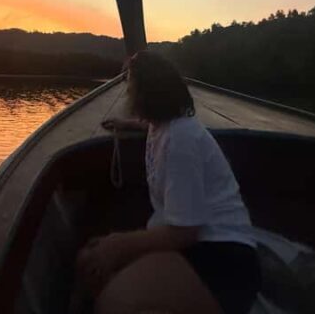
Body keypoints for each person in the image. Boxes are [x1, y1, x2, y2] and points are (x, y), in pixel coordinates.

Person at [77, 50, 260, 314]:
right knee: (88, 260)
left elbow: (185, 232)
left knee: (111, 304)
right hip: (196, 248)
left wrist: (118, 243)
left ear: (146, 92)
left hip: (223, 261)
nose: (127, 91)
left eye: (130, 84)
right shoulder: (161, 124)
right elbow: (149, 126)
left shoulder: (180, 140)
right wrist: (129, 123)